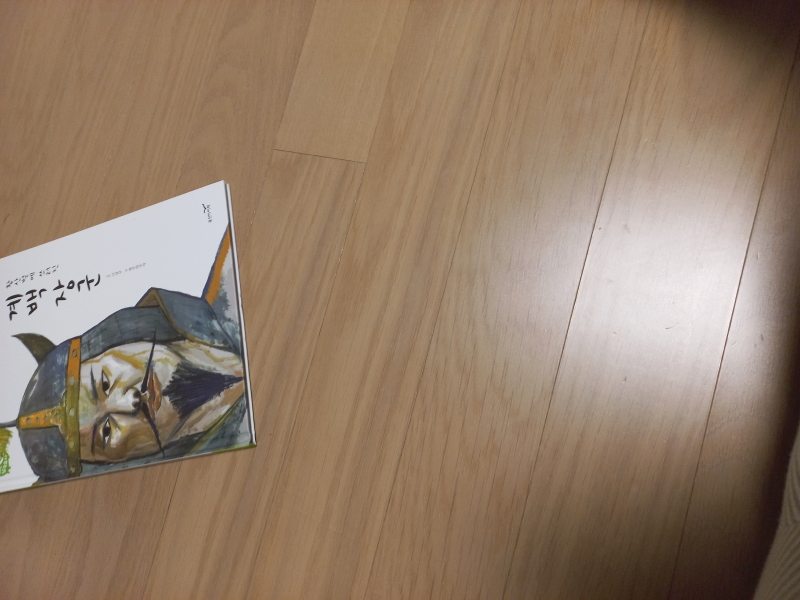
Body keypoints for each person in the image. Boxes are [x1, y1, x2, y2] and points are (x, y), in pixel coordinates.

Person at [0, 226, 253, 483]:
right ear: (116, 463)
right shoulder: (231, 474)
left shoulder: (237, 261)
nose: (131, 401)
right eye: (106, 432)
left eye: (104, 383)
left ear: (112, 342)